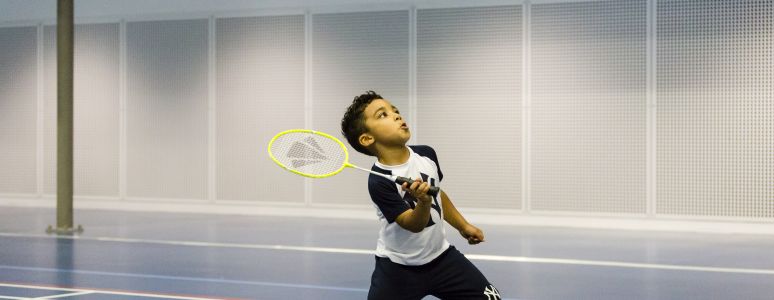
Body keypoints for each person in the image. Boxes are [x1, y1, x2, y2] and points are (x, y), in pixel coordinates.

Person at [340, 91, 501, 300]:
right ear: (367, 138)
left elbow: (438, 194)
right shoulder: (378, 181)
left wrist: (463, 226)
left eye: (395, 110)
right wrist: (423, 202)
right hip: (398, 270)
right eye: (383, 115)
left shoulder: (426, 154)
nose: (397, 115)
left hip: (442, 259)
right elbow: (413, 224)